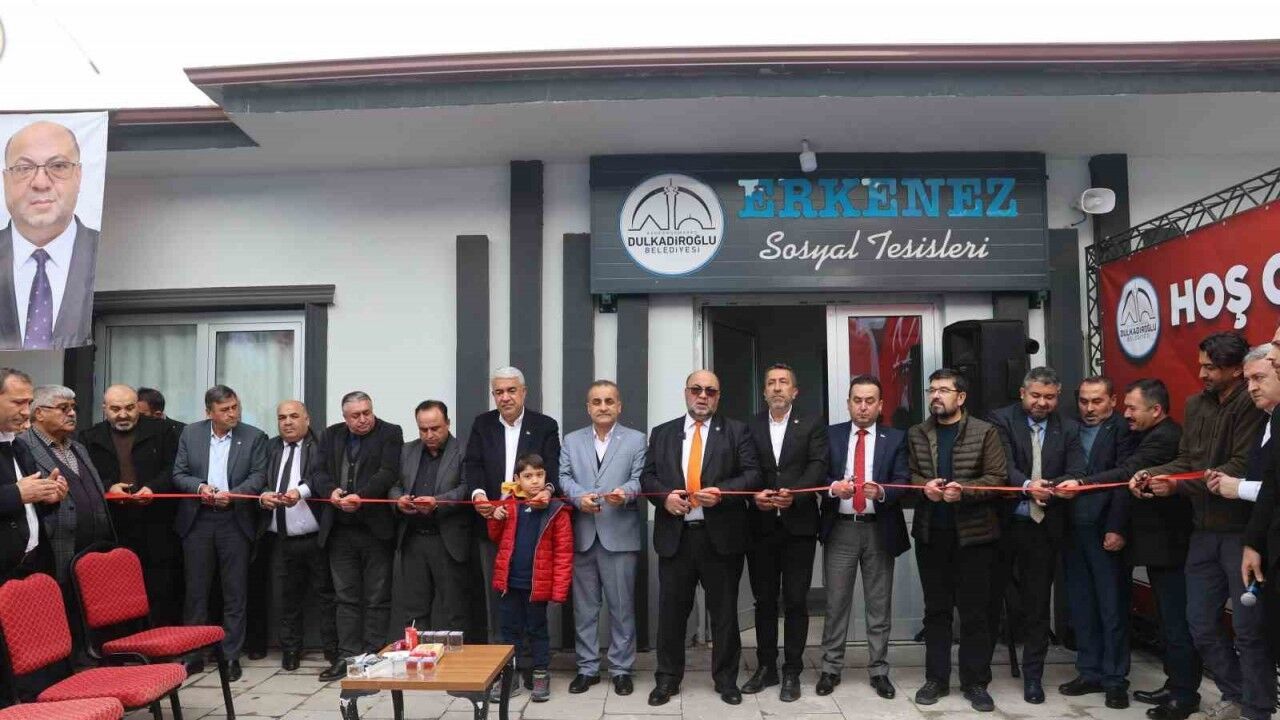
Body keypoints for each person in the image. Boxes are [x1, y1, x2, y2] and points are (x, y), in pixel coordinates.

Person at [1132, 331, 1268, 720]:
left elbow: (1239, 468)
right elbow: (1187, 463)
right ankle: (1235, 695)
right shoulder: (1195, 404)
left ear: (1236, 369)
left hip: (1242, 533)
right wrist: (1154, 475)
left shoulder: (1253, 405)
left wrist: (1175, 483)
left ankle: (1256, 708)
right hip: (1203, 531)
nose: (1202, 373)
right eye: (1201, 365)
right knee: (1200, 623)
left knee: (1248, 629)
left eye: (1211, 367)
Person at [642, 369, 761, 707]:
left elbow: (753, 475)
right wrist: (664, 497)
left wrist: (722, 492)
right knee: (671, 614)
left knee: (724, 614)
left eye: (710, 391)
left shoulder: (736, 431)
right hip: (676, 537)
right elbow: (647, 476)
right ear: (686, 392)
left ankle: (726, 680)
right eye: (697, 389)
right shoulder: (663, 432)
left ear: (718, 396)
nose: (703, 396)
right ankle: (667, 680)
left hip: (720, 537)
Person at [908, 368, 1007, 713]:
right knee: (936, 611)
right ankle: (936, 679)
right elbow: (910, 474)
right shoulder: (918, 433)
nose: (935, 396)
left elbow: (997, 478)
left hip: (974, 537)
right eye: (932, 390)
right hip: (931, 535)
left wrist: (963, 491)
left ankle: (975, 682)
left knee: (975, 612)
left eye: (943, 390)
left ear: (961, 397)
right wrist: (924, 486)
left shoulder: (985, 431)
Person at [986, 367, 1086, 705]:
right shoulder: (1001, 420)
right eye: (1036, 396)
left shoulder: (1068, 427)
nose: (1042, 403)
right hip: (1003, 525)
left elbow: (1077, 468)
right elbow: (1001, 467)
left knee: (1037, 605)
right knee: (988, 600)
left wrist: (1062, 485)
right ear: (1022, 393)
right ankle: (978, 675)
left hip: (1044, 528)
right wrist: (1028, 486)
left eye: (1050, 397)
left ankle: (1033, 677)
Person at [816, 375, 908, 700]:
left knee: (878, 605)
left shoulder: (895, 438)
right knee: (836, 603)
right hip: (841, 527)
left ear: (881, 405)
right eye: (857, 400)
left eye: (870, 401)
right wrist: (832, 488)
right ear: (848, 403)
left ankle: (879, 670)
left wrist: (882, 492)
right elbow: (817, 473)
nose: (863, 407)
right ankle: (830, 668)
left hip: (878, 528)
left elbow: (904, 479)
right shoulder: (831, 435)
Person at [1115, 380, 1201, 720]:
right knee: (1167, 621)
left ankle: (1184, 695)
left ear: (1156, 409)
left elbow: (1127, 472)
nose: (1126, 414)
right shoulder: (1145, 434)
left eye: (1132, 408)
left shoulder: (1165, 437)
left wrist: (1080, 482)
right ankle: (1175, 683)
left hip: (1172, 548)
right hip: (1157, 549)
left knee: (1177, 623)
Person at [742, 364, 828, 703]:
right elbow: (744, 467)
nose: (777, 388)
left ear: (795, 391)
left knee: (795, 600)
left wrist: (796, 493)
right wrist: (754, 495)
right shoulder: (749, 426)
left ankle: (792, 669)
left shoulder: (812, 424)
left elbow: (818, 465)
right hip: (760, 526)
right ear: (764, 392)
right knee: (764, 600)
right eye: (771, 383)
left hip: (799, 526)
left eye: (783, 382)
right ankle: (766, 667)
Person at [172, 384, 269, 681]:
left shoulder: (254, 437)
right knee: (196, 591)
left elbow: (259, 476)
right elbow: (179, 474)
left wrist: (234, 494)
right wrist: (200, 487)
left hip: (234, 520)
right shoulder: (191, 433)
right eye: (225, 410)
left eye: (235, 407)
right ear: (209, 413)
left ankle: (230, 656)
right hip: (198, 520)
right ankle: (193, 655)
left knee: (234, 592)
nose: (232, 414)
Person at [558, 381, 646, 697]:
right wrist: (578, 497)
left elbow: (640, 478)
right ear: (588, 408)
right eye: (596, 402)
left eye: (609, 401)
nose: (603, 406)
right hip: (583, 535)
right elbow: (564, 477)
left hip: (619, 534)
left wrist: (626, 492)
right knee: (584, 609)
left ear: (619, 406)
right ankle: (587, 668)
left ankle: (621, 669)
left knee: (622, 608)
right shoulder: (572, 440)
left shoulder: (636, 440)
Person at [311, 391, 403, 681]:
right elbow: (318, 472)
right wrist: (331, 493)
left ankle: (373, 655)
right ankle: (347, 657)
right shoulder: (330, 435)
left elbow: (388, 473)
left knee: (377, 597)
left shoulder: (390, 432)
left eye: (367, 412)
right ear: (345, 417)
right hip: (339, 530)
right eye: (356, 415)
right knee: (345, 597)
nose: (363, 419)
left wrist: (360, 497)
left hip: (376, 530)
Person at [465, 366, 559, 646]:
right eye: (499, 392)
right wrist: (479, 496)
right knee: (498, 594)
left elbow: (554, 469)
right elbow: (473, 464)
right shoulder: (482, 424)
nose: (505, 397)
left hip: (530, 523)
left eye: (511, 390)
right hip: (493, 519)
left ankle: (532, 656)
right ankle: (503, 656)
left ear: (524, 392)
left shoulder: (544, 425)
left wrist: (547, 491)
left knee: (530, 593)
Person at [1056, 376, 1133, 709]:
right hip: (1073, 529)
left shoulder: (1123, 430)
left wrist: (1117, 527)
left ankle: (1115, 679)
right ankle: (1089, 672)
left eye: (1097, 401)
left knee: (1112, 607)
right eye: (1084, 401)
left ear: (1113, 401)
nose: (1089, 408)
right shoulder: (1068, 428)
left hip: (1106, 530)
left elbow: (1125, 479)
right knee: (1082, 604)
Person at [80, 384, 183, 626]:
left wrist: (153, 488)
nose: (123, 414)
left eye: (129, 408)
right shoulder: (89, 437)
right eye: (115, 409)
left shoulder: (162, 431)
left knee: (160, 586)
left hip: (157, 522)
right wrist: (109, 487)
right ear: (104, 409)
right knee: (117, 588)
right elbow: (85, 475)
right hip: (114, 524)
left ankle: (160, 636)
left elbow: (174, 468)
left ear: (137, 406)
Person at [253, 400, 337, 672]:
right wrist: (263, 495)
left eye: (293, 416)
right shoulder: (270, 447)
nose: (287, 422)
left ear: (307, 419)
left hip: (315, 537)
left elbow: (321, 478)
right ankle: (291, 649)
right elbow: (259, 478)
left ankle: (332, 650)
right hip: (280, 538)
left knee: (326, 597)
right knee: (287, 598)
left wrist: (299, 492)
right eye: (282, 418)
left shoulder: (321, 444)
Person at [0, 121, 98, 350]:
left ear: (78, 175)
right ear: (5, 180)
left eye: (58, 166)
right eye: (24, 168)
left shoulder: (102, 250)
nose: (40, 183)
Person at [486, 454, 572, 704]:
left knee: (537, 630)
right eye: (528, 476)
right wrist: (495, 517)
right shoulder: (509, 505)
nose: (534, 481)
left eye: (539, 475)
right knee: (509, 631)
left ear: (546, 477)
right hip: (510, 583)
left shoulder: (557, 510)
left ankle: (540, 673)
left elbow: (564, 552)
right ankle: (510, 675)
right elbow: (495, 537)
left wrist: (559, 589)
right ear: (517, 479)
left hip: (537, 586)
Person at [389, 401, 472, 642]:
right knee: (415, 610)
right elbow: (394, 485)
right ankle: (418, 657)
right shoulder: (407, 450)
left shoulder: (463, 450)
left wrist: (438, 502)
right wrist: (398, 500)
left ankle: (458, 660)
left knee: (454, 609)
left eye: (435, 428)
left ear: (448, 423)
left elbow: (466, 488)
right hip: (413, 538)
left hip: (447, 540)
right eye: (423, 429)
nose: (429, 435)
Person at [20, 386, 114, 584]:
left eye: (73, 407)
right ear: (39, 413)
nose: (72, 413)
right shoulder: (22, 447)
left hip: (95, 552)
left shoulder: (78, 447)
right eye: (63, 408)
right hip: (54, 553)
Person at [0, 368, 64, 579]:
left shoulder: (19, 445)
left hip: (30, 565)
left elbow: (27, 508)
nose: (27, 412)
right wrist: (16, 494)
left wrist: (47, 497)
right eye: (18, 403)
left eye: (29, 403)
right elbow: (17, 495)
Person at [1243, 324, 1280, 663]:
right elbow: (1272, 484)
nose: (1252, 388)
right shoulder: (1270, 419)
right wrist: (1254, 542)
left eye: (1259, 378)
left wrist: (1237, 488)